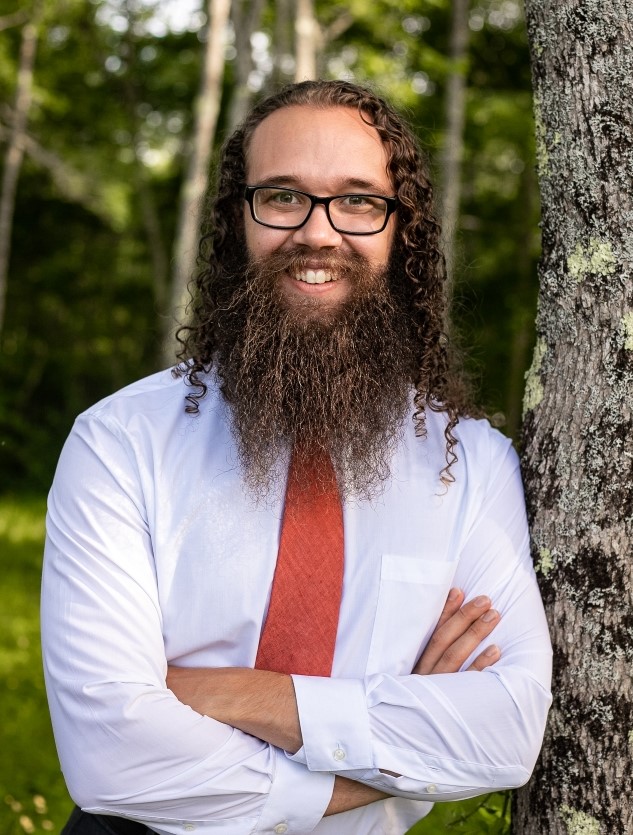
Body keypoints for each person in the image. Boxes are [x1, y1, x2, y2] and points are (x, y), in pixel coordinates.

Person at [41, 80, 552, 835]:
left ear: (398, 229)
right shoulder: (119, 443)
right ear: (236, 220)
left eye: (357, 201)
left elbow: (506, 732)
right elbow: (112, 754)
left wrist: (238, 693)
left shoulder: (470, 464)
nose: (318, 233)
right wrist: (390, 761)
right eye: (282, 197)